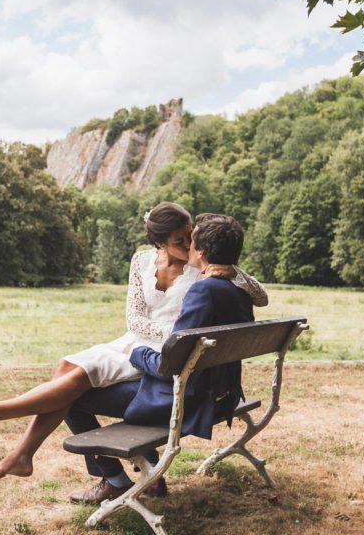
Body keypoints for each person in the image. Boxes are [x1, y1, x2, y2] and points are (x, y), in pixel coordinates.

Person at [0, 203, 267, 486]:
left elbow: (247, 294)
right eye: (178, 241)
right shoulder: (144, 262)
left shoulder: (205, 275)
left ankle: (1, 416)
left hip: (166, 353)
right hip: (145, 340)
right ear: (159, 243)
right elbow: (134, 318)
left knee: (74, 388)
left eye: (190, 238)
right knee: (65, 369)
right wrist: (145, 341)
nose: (187, 244)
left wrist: (228, 268)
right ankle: (25, 451)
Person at [65, 212, 255, 503]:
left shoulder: (201, 291)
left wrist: (136, 353)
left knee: (71, 396)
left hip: (187, 398)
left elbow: (168, 367)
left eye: (191, 241)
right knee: (82, 379)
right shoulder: (236, 292)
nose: (187, 245)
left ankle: (116, 479)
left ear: (200, 252)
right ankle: (148, 466)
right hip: (221, 393)